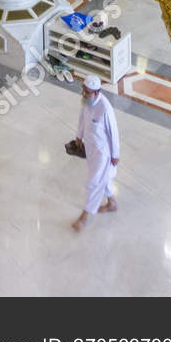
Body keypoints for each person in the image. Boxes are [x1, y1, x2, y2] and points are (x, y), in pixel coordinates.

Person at [72, 75, 120, 232]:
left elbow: (113, 133)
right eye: (83, 91)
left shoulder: (105, 109)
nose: (84, 94)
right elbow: (82, 119)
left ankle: (84, 217)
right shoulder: (87, 102)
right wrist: (79, 136)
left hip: (103, 153)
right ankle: (112, 203)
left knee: (94, 182)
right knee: (102, 178)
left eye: (87, 92)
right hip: (90, 149)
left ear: (96, 92)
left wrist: (115, 154)